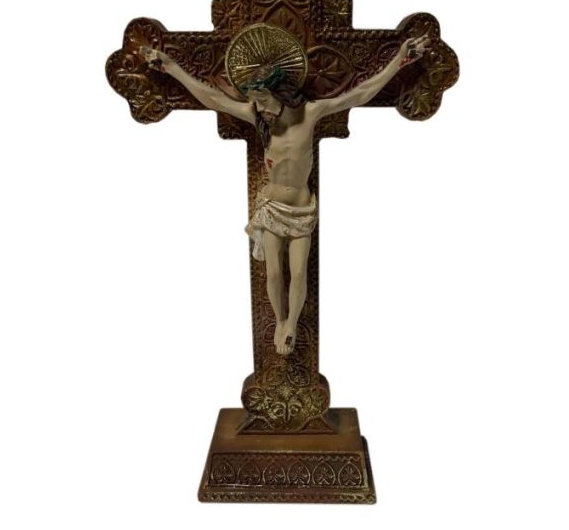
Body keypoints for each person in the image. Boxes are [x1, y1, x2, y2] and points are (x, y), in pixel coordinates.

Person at [139, 32, 430, 355]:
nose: (259, 106)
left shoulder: (310, 113)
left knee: (300, 271)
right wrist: (171, 67)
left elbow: (360, 93)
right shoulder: (257, 115)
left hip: (301, 209)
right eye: (255, 100)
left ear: (279, 93)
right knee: (274, 271)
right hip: (272, 206)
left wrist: (400, 60)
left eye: (263, 98)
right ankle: (280, 321)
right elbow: (213, 98)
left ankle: (292, 323)